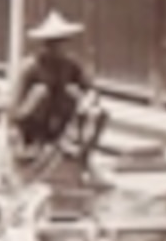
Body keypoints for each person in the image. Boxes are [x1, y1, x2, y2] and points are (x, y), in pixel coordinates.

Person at [8, 11, 101, 167]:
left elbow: (90, 88)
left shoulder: (70, 65)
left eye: (62, 43)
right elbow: (14, 109)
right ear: (45, 45)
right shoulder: (30, 67)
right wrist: (31, 104)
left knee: (94, 110)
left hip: (61, 120)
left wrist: (87, 100)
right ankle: (33, 145)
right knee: (40, 92)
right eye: (53, 44)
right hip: (33, 123)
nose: (59, 48)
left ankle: (83, 157)